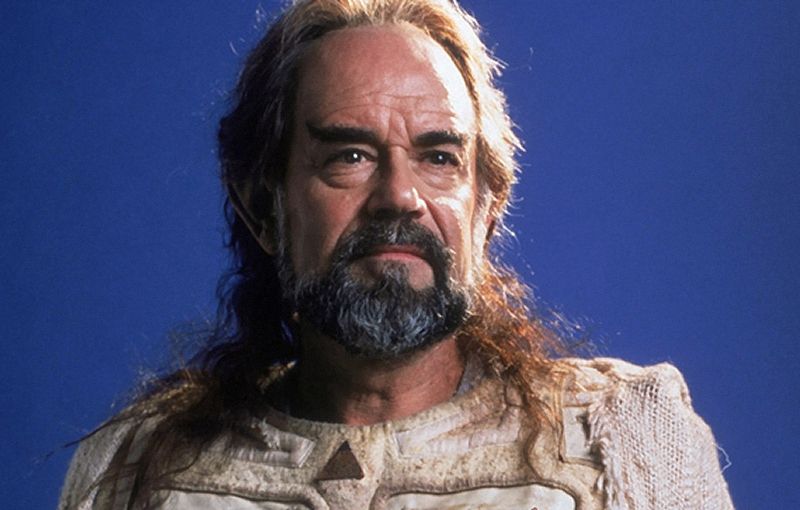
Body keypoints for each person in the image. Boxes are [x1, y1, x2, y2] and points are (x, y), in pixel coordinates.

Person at [59, 0, 734, 508]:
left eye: (439, 158)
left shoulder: (626, 442)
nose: (399, 197)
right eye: (350, 156)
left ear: (485, 208)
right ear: (263, 206)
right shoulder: (134, 469)